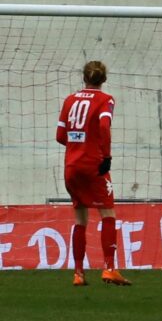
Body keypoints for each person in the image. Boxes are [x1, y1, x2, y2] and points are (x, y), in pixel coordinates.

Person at [56, 61, 131, 286]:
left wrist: (77, 144)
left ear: (84, 77)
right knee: (108, 214)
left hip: (71, 166)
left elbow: (60, 135)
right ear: (104, 79)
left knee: (80, 218)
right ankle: (109, 268)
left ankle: (78, 274)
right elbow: (104, 126)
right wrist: (105, 156)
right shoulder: (105, 100)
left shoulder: (70, 100)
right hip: (93, 165)